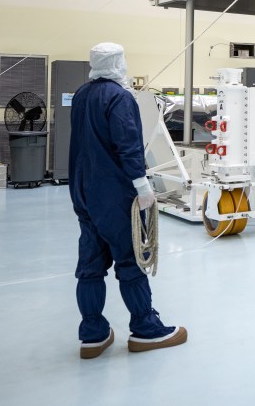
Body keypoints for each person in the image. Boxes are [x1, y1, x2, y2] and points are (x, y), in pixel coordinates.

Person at [69, 42, 187, 359]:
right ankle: (146, 329)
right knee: (130, 258)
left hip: (83, 189)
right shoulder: (120, 97)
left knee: (90, 264)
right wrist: (141, 184)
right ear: (118, 63)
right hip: (113, 191)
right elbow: (127, 143)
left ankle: (92, 334)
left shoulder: (81, 94)